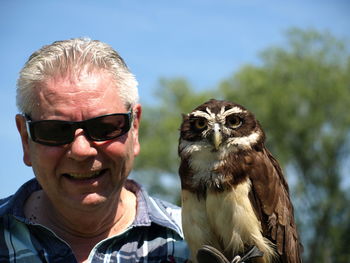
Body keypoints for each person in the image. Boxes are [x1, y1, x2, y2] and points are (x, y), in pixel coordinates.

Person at [0, 38, 190, 263]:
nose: (81, 151)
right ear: (25, 139)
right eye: (56, 131)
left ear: (135, 129)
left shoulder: (201, 243)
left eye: (105, 127)